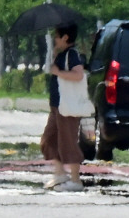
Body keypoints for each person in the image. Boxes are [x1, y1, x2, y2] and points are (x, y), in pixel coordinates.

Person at [40, 23, 85, 192]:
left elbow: (78, 74)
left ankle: (75, 180)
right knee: (49, 140)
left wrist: (58, 72)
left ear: (66, 37)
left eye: (57, 36)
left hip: (68, 105)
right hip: (57, 105)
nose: (54, 39)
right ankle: (60, 174)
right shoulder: (62, 55)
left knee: (68, 141)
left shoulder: (72, 55)